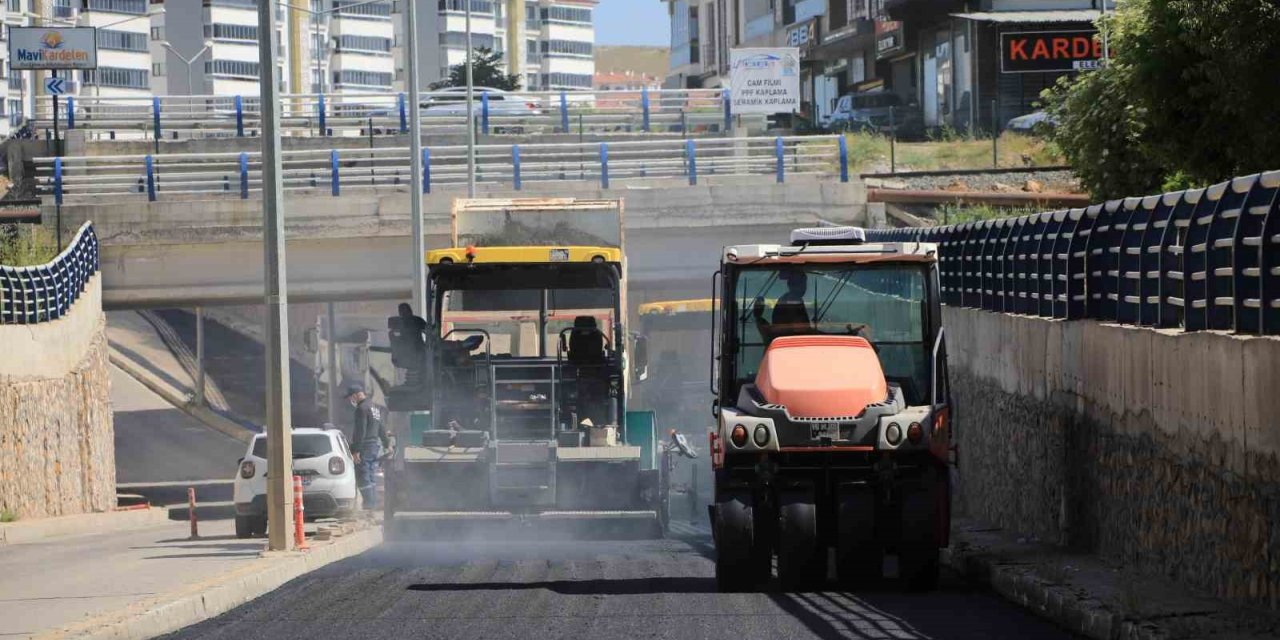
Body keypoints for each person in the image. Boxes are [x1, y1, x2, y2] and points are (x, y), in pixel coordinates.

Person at [346, 382, 390, 510]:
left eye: (350, 397)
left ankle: (369, 506)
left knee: (363, 476)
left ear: (355, 395)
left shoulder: (361, 409)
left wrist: (356, 451)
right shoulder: (374, 407)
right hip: (374, 447)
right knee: (371, 476)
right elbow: (381, 427)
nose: (350, 400)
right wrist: (387, 444)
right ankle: (373, 505)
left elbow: (360, 431)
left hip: (365, 447)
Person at [754, 269, 813, 344]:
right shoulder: (792, 301)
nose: (804, 287)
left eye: (804, 284)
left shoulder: (789, 299)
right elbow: (799, 327)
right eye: (802, 283)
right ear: (793, 285)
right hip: (791, 343)